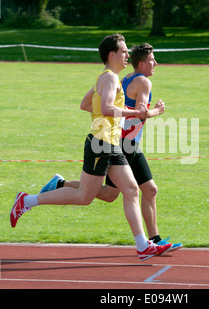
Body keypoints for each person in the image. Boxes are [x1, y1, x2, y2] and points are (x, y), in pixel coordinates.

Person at [9, 34, 172, 261]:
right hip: (100, 144)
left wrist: (117, 113)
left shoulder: (110, 78)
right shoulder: (109, 79)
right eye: (124, 52)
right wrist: (135, 112)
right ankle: (26, 201)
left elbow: (87, 104)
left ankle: (143, 245)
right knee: (85, 196)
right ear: (112, 55)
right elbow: (105, 108)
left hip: (112, 144)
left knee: (132, 190)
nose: (127, 56)